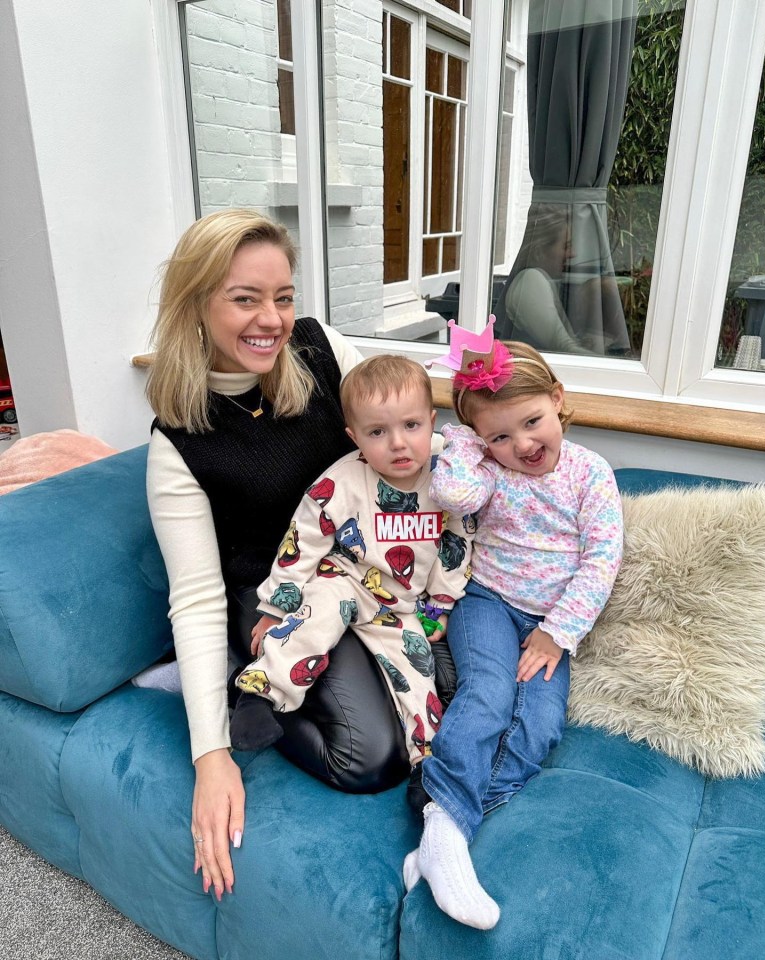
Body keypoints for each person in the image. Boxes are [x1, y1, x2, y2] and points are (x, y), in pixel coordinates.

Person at [143, 210, 454, 904]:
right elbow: (193, 596)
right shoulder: (177, 443)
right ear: (197, 303)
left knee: (446, 690)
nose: (273, 319)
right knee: (369, 758)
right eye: (245, 298)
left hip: (369, 572)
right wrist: (210, 752)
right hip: (275, 599)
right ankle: (242, 686)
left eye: (282, 296)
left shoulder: (321, 350)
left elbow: (400, 421)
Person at [408, 321, 624, 929]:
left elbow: (601, 559)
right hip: (486, 604)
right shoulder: (487, 470)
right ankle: (448, 831)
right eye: (500, 436)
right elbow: (452, 494)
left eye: (532, 422)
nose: (523, 444)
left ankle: (441, 824)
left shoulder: (589, 473)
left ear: (556, 398)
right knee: (488, 695)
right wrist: (469, 445)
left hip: (551, 624)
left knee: (540, 726)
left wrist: (558, 632)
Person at [229, 355, 473, 779]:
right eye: (378, 432)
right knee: (313, 622)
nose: (398, 443)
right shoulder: (340, 482)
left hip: (401, 608)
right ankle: (259, 694)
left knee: (421, 686)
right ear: (354, 437)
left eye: (411, 426)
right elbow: (301, 541)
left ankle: (427, 773)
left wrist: (441, 605)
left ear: (432, 422)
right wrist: (274, 607)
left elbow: (457, 544)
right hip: (343, 579)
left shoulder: (449, 479)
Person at [493, 203, 630, 356]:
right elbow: (563, 347)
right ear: (539, 251)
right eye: (566, 246)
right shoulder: (531, 281)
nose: (572, 254)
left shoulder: (540, 280)